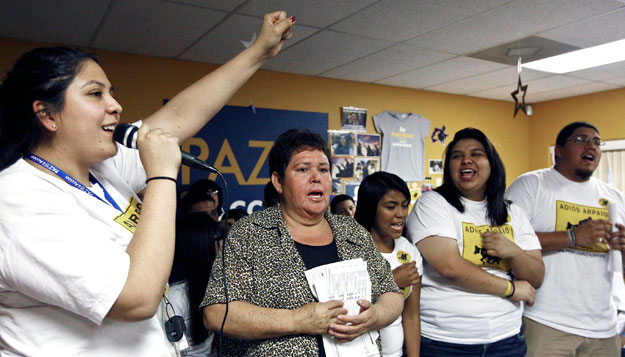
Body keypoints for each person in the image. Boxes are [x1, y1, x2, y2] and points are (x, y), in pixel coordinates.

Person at [0, 11, 294, 355]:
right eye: (96, 94)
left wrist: (259, 51)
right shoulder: (17, 201)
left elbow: (177, 119)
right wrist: (162, 176)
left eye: (112, 93)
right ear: (47, 114)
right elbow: (136, 297)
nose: (116, 106)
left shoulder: (101, 171)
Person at [201, 128, 403, 356]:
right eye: (303, 169)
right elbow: (217, 314)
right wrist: (299, 320)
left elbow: (392, 294)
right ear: (278, 182)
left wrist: (374, 316)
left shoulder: (352, 231)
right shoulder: (250, 233)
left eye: (324, 170)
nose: (316, 177)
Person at [406, 128, 544, 356]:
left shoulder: (513, 213)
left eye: (476, 154)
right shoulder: (432, 204)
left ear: (492, 164)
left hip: (507, 339)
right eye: (456, 156)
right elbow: (450, 267)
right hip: (446, 341)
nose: (466, 160)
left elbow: (537, 276)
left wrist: (514, 252)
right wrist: (511, 289)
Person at [506, 121, 625, 356]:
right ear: (557, 151)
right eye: (581, 140)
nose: (590, 146)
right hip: (545, 321)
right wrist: (572, 236)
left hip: (603, 327)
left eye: (596, 142)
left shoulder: (615, 198)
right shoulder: (531, 185)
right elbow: (508, 243)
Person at [355, 171, 422, 357]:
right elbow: (348, 308)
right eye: (391, 206)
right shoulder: (352, 248)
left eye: (404, 206)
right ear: (371, 208)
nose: (400, 214)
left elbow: (411, 314)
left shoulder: (409, 251)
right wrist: (392, 280)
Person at [166, 212, 219, 356]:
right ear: (200, 247)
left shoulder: (214, 285)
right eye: (215, 242)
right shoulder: (176, 296)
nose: (222, 249)